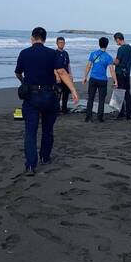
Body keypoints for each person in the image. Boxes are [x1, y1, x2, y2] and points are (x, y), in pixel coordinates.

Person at [15, 27, 78, 176]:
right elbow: (62, 72)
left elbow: (18, 72)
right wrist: (73, 90)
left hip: (31, 96)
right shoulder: (52, 53)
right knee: (47, 130)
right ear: (44, 39)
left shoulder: (24, 53)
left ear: (32, 38)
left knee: (30, 132)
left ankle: (30, 165)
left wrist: (24, 81)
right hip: (49, 95)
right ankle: (45, 157)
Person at [82, 37, 117, 123]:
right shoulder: (108, 57)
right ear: (107, 45)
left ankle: (88, 117)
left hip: (93, 78)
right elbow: (112, 70)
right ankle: (100, 117)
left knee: (91, 98)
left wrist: (85, 77)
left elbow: (88, 66)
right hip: (102, 80)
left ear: (99, 43)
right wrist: (115, 80)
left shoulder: (93, 54)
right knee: (101, 99)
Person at [112, 32, 131, 120]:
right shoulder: (130, 48)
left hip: (120, 73)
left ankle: (121, 113)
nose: (116, 42)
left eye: (115, 40)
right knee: (127, 93)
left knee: (119, 93)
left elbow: (117, 62)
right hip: (127, 73)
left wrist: (110, 61)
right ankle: (129, 113)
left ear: (118, 39)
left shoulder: (121, 49)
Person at [55, 36, 72, 113]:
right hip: (58, 77)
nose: (62, 44)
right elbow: (53, 66)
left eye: (63, 43)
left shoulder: (66, 53)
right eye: (60, 43)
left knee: (66, 93)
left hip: (66, 77)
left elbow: (68, 65)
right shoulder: (54, 53)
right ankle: (57, 109)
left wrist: (70, 75)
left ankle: (64, 109)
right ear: (57, 43)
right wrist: (57, 76)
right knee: (58, 94)